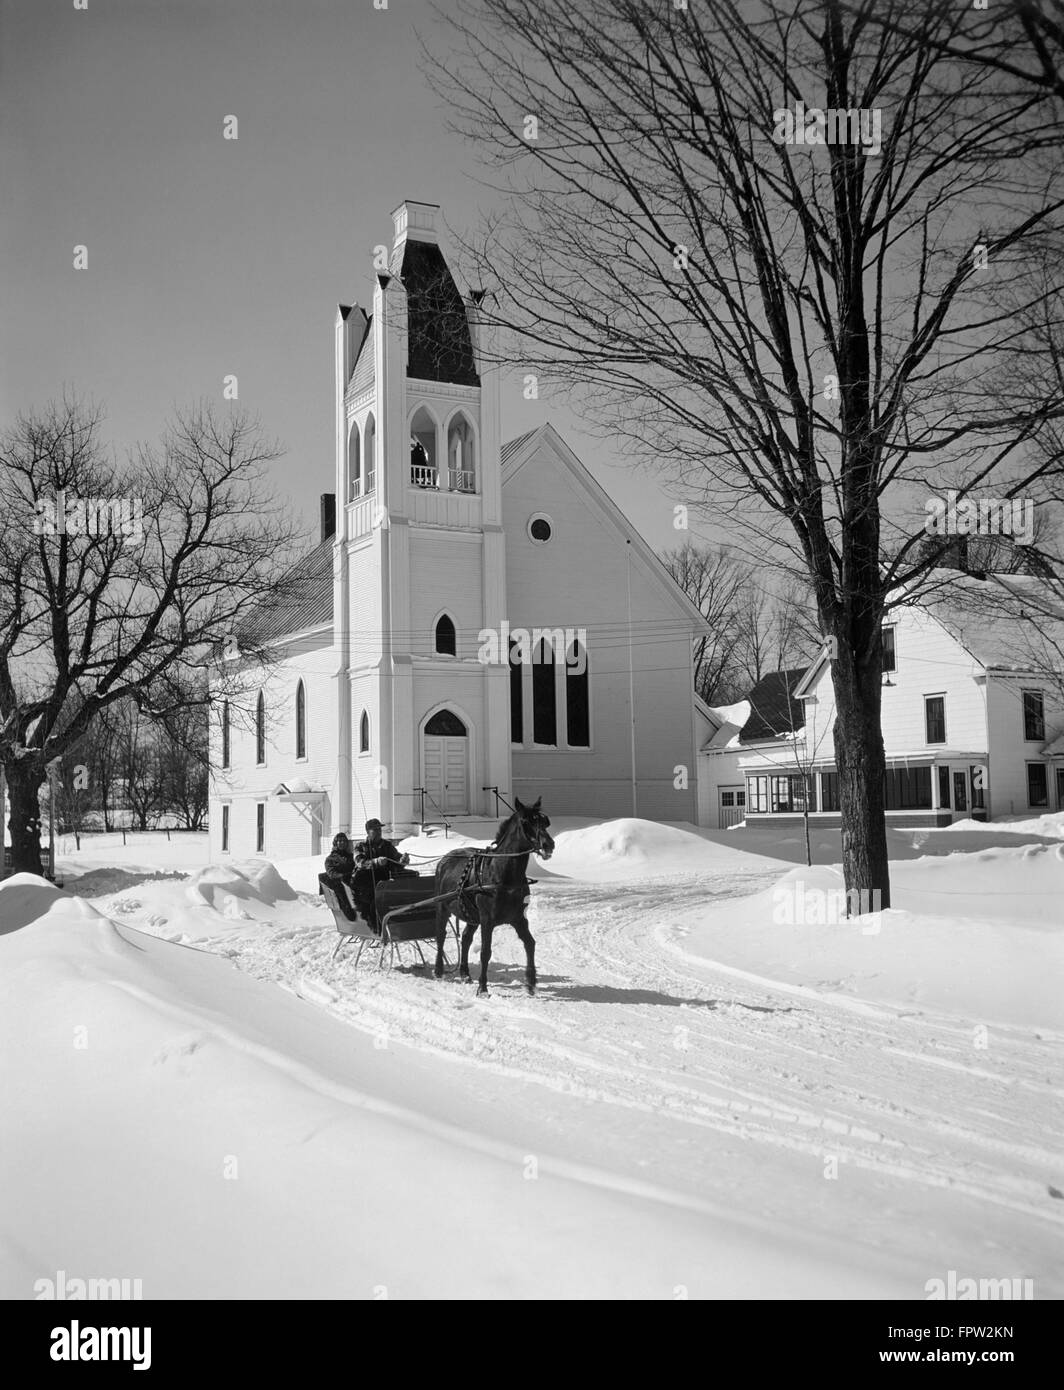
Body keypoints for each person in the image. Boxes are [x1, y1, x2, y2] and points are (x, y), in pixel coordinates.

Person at [352, 819, 411, 930]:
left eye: (379, 829)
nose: (379, 832)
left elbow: (396, 859)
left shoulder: (386, 845)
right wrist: (375, 862)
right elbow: (360, 863)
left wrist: (403, 860)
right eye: (375, 830)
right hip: (364, 885)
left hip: (383, 882)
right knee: (374, 902)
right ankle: (376, 927)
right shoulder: (360, 846)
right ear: (368, 831)